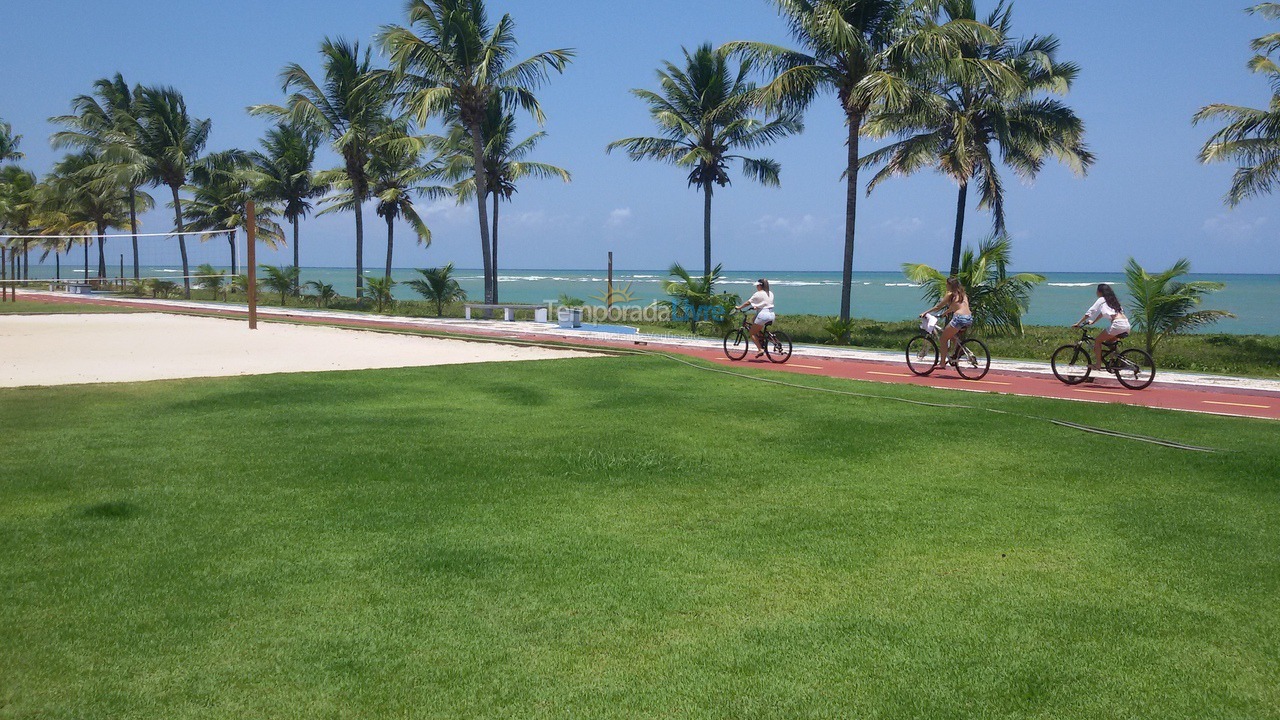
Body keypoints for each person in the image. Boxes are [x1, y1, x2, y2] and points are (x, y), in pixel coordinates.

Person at [1073, 283, 1131, 370]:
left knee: (1097, 341)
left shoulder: (1101, 299)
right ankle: (1122, 361)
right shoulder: (1113, 300)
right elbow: (1102, 313)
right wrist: (1093, 321)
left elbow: (1091, 311)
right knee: (1109, 342)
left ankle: (1098, 365)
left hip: (1117, 324)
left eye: (1097, 291)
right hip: (1126, 324)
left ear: (1100, 292)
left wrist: (1078, 323)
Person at [919, 277, 972, 368]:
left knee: (943, 339)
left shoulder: (950, 294)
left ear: (950, 285)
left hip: (959, 318)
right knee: (951, 336)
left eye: (947, 284)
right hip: (969, 318)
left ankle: (942, 364)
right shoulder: (962, 293)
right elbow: (955, 307)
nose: (946, 285)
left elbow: (937, 307)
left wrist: (925, 312)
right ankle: (960, 349)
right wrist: (945, 313)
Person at [736, 278, 776, 358]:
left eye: (757, 285)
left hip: (763, 315)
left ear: (760, 286)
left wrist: (740, 307)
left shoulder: (758, 293)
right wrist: (756, 307)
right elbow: (765, 303)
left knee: (752, 333)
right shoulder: (770, 293)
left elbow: (748, 302)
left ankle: (760, 349)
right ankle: (765, 338)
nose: (756, 287)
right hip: (771, 314)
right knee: (754, 320)